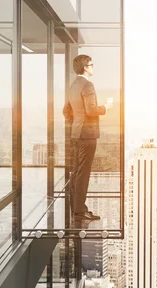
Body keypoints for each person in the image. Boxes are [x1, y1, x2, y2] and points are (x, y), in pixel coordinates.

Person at [63, 54, 112, 221]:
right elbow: (91, 110)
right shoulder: (88, 85)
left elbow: (66, 111)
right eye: (92, 64)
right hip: (87, 134)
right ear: (85, 67)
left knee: (76, 171)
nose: (93, 67)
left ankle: (75, 207)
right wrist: (105, 107)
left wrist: (76, 122)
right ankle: (80, 210)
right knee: (83, 172)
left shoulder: (74, 85)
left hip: (76, 133)